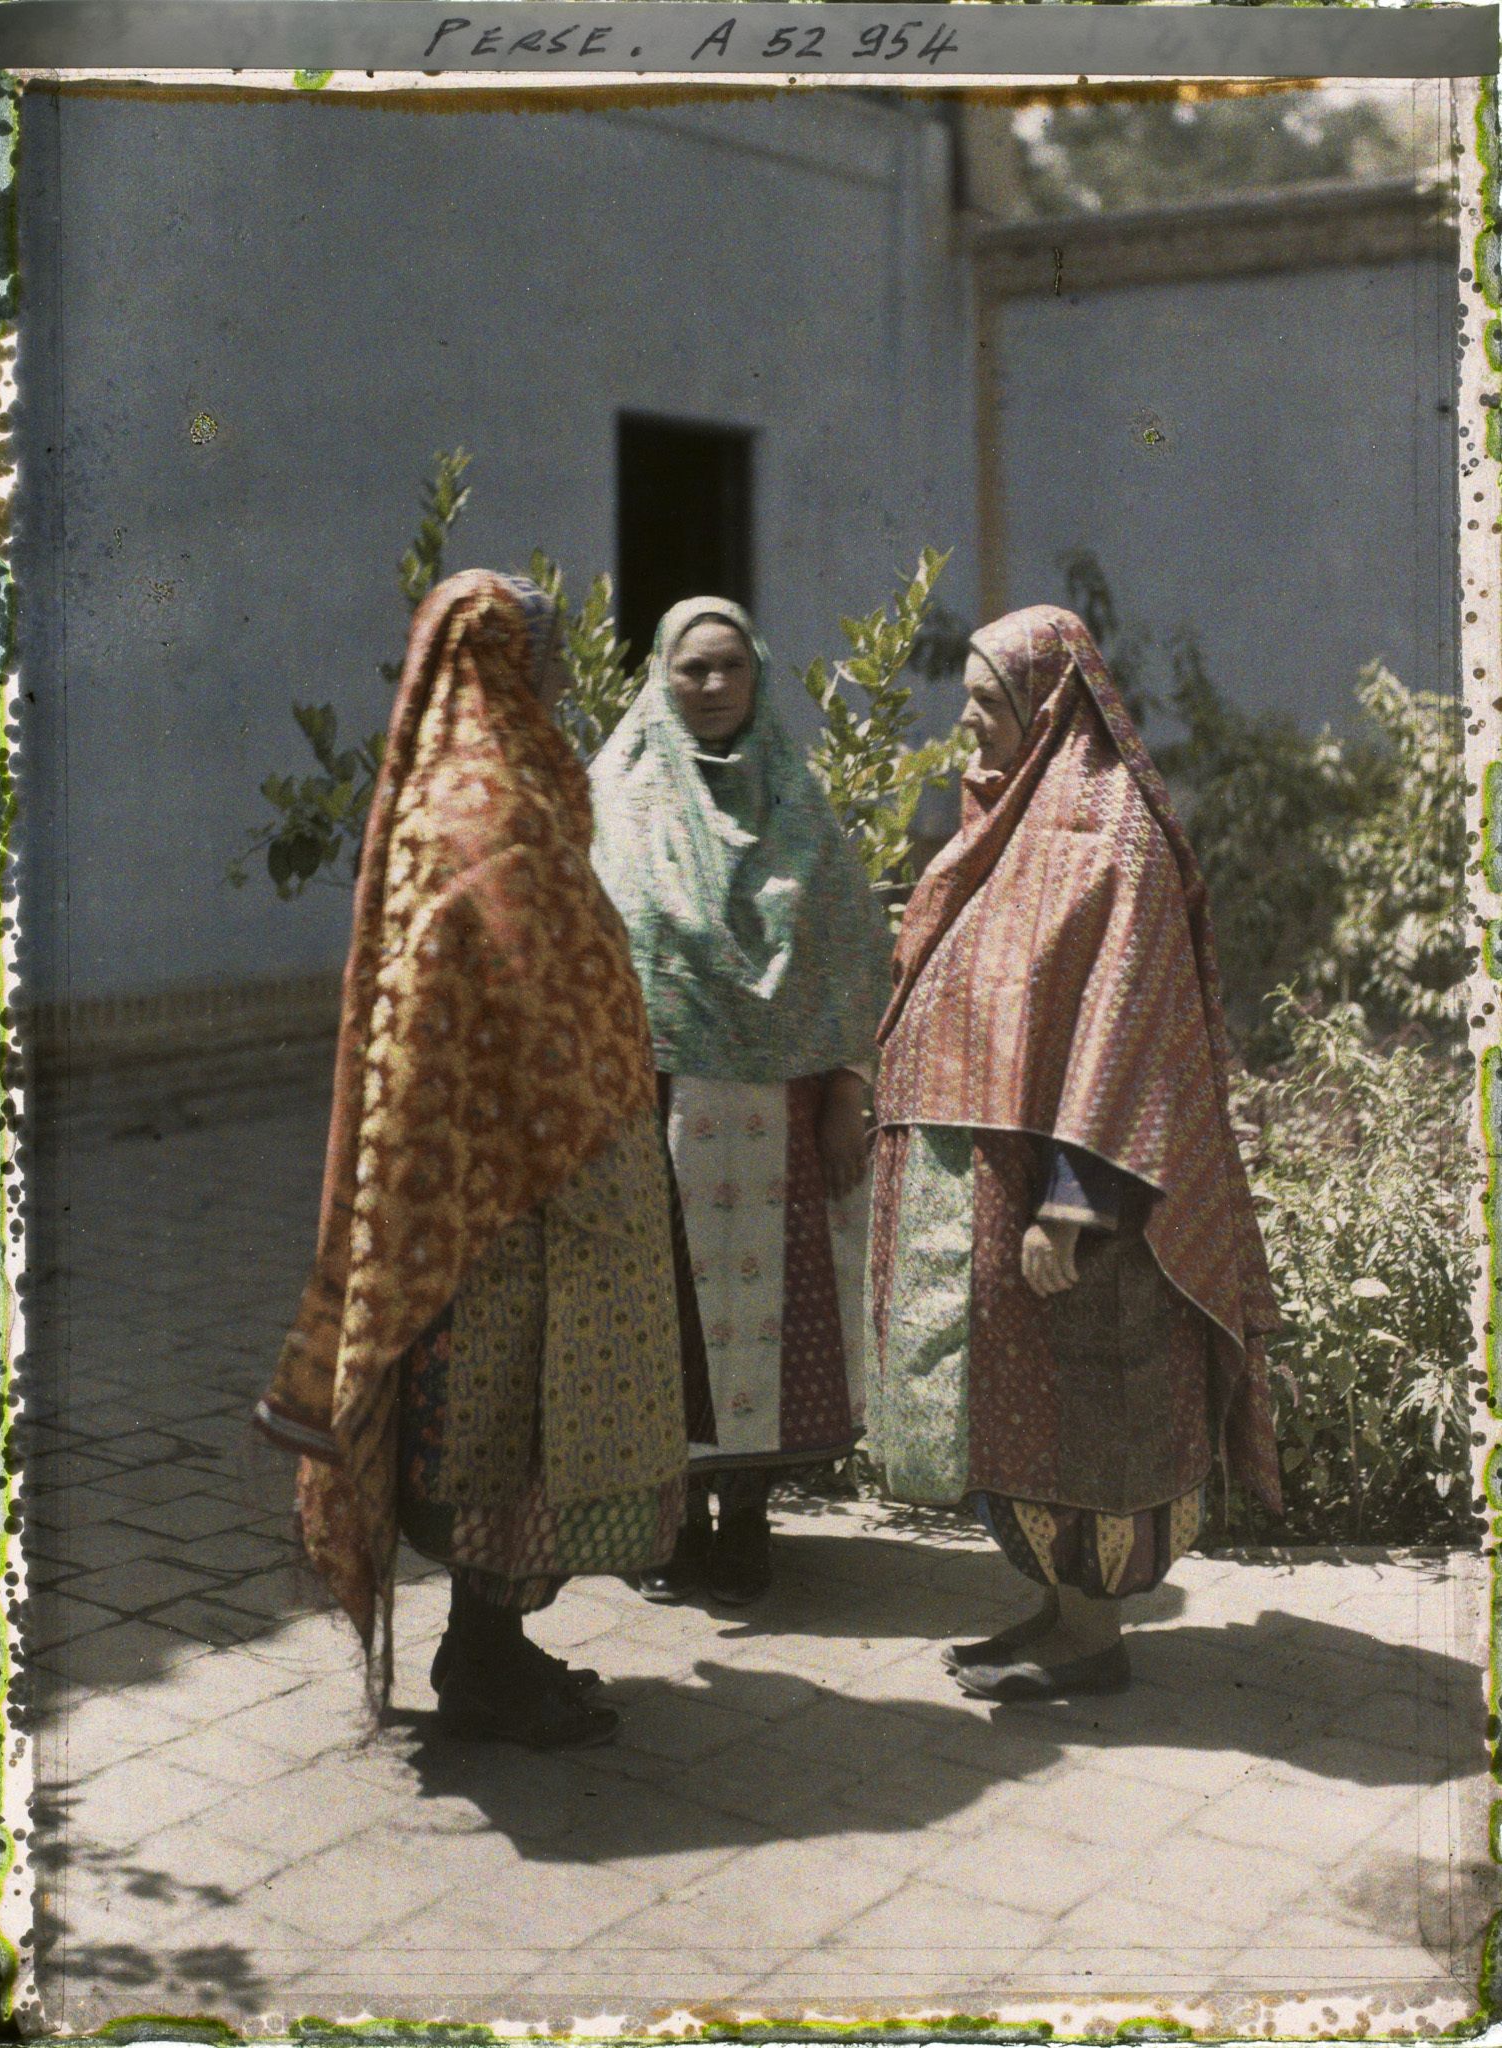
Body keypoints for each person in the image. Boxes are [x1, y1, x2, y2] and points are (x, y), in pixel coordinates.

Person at [255, 569, 698, 1749]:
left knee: (498, 1432)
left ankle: (486, 1643)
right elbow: (522, 992)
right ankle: (484, 1662)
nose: (559, 677)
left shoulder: (454, 791)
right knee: (507, 1431)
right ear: (509, 661)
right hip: (514, 1188)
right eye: (545, 655)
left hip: (477, 1179)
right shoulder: (487, 805)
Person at [868, 603, 1281, 1701]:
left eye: (987, 701)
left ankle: (1090, 1638)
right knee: (1023, 1420)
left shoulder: (1113, 838)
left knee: (1085, 1413)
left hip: (1086, 1203)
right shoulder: (1008, 823)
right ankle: (1057, 1610)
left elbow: (1127, 1033)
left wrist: (1068, 1203)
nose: (964, 721)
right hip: (1013, 1182)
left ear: (1049, 708)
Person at [590, 597, 892, 1605]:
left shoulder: (797, 805)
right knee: (667, 1313)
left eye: (729, 668)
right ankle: (668, 1516)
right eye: (692, 670)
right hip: (657, 1110)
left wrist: (848, 1093)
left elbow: (852, 951)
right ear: (662, 679)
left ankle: (747, 1519)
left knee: (764, 1314)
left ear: (757, 674)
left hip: (777, 1116)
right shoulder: (618, 801)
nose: (712, 687)